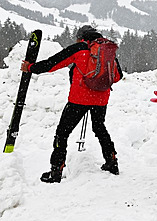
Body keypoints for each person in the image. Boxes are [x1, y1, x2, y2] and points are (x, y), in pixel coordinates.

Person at [21, 25, 122, 183]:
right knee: (99, 128)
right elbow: (117, 76)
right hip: (101, 99)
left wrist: (31, 67)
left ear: (81, 37)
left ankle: (56, 171)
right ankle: (112, 162)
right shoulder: (106, 50)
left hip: (79, 99)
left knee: (62, 133)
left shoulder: (79, 48)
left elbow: (53, 63)